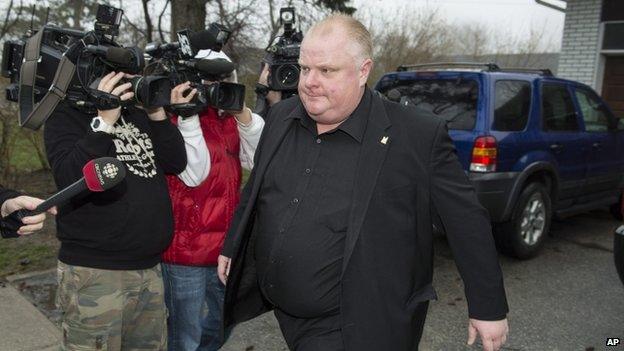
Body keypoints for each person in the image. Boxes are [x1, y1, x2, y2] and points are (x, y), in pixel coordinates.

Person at [218, 14, 509, 351]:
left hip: (355, 325)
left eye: (326, 71)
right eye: (305, 68)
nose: (309, 81)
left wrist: (488, 307)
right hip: (285, 313)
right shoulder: (283, 117)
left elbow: (466, 221)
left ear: (363, 70)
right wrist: (232, 244)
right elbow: (258, 190)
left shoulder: (416, 135)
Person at [44, 71, 187, 350]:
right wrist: (104, 122)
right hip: (96, 272)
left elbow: (175, 162)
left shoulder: (138, 114)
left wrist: (156, 112)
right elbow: (71, 178)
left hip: (149, 269)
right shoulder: (67, 115)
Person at [161, 50, 265, 351]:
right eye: (209, 80)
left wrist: (241, 113)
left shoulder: (227, 120)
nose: (215, 87)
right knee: (185, 336)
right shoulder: (173, 120)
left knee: (225, 320)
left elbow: (258, 159)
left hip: (224, 248)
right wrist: (189, 116)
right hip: (186, 252)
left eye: (223, 80)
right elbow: (195, 175)